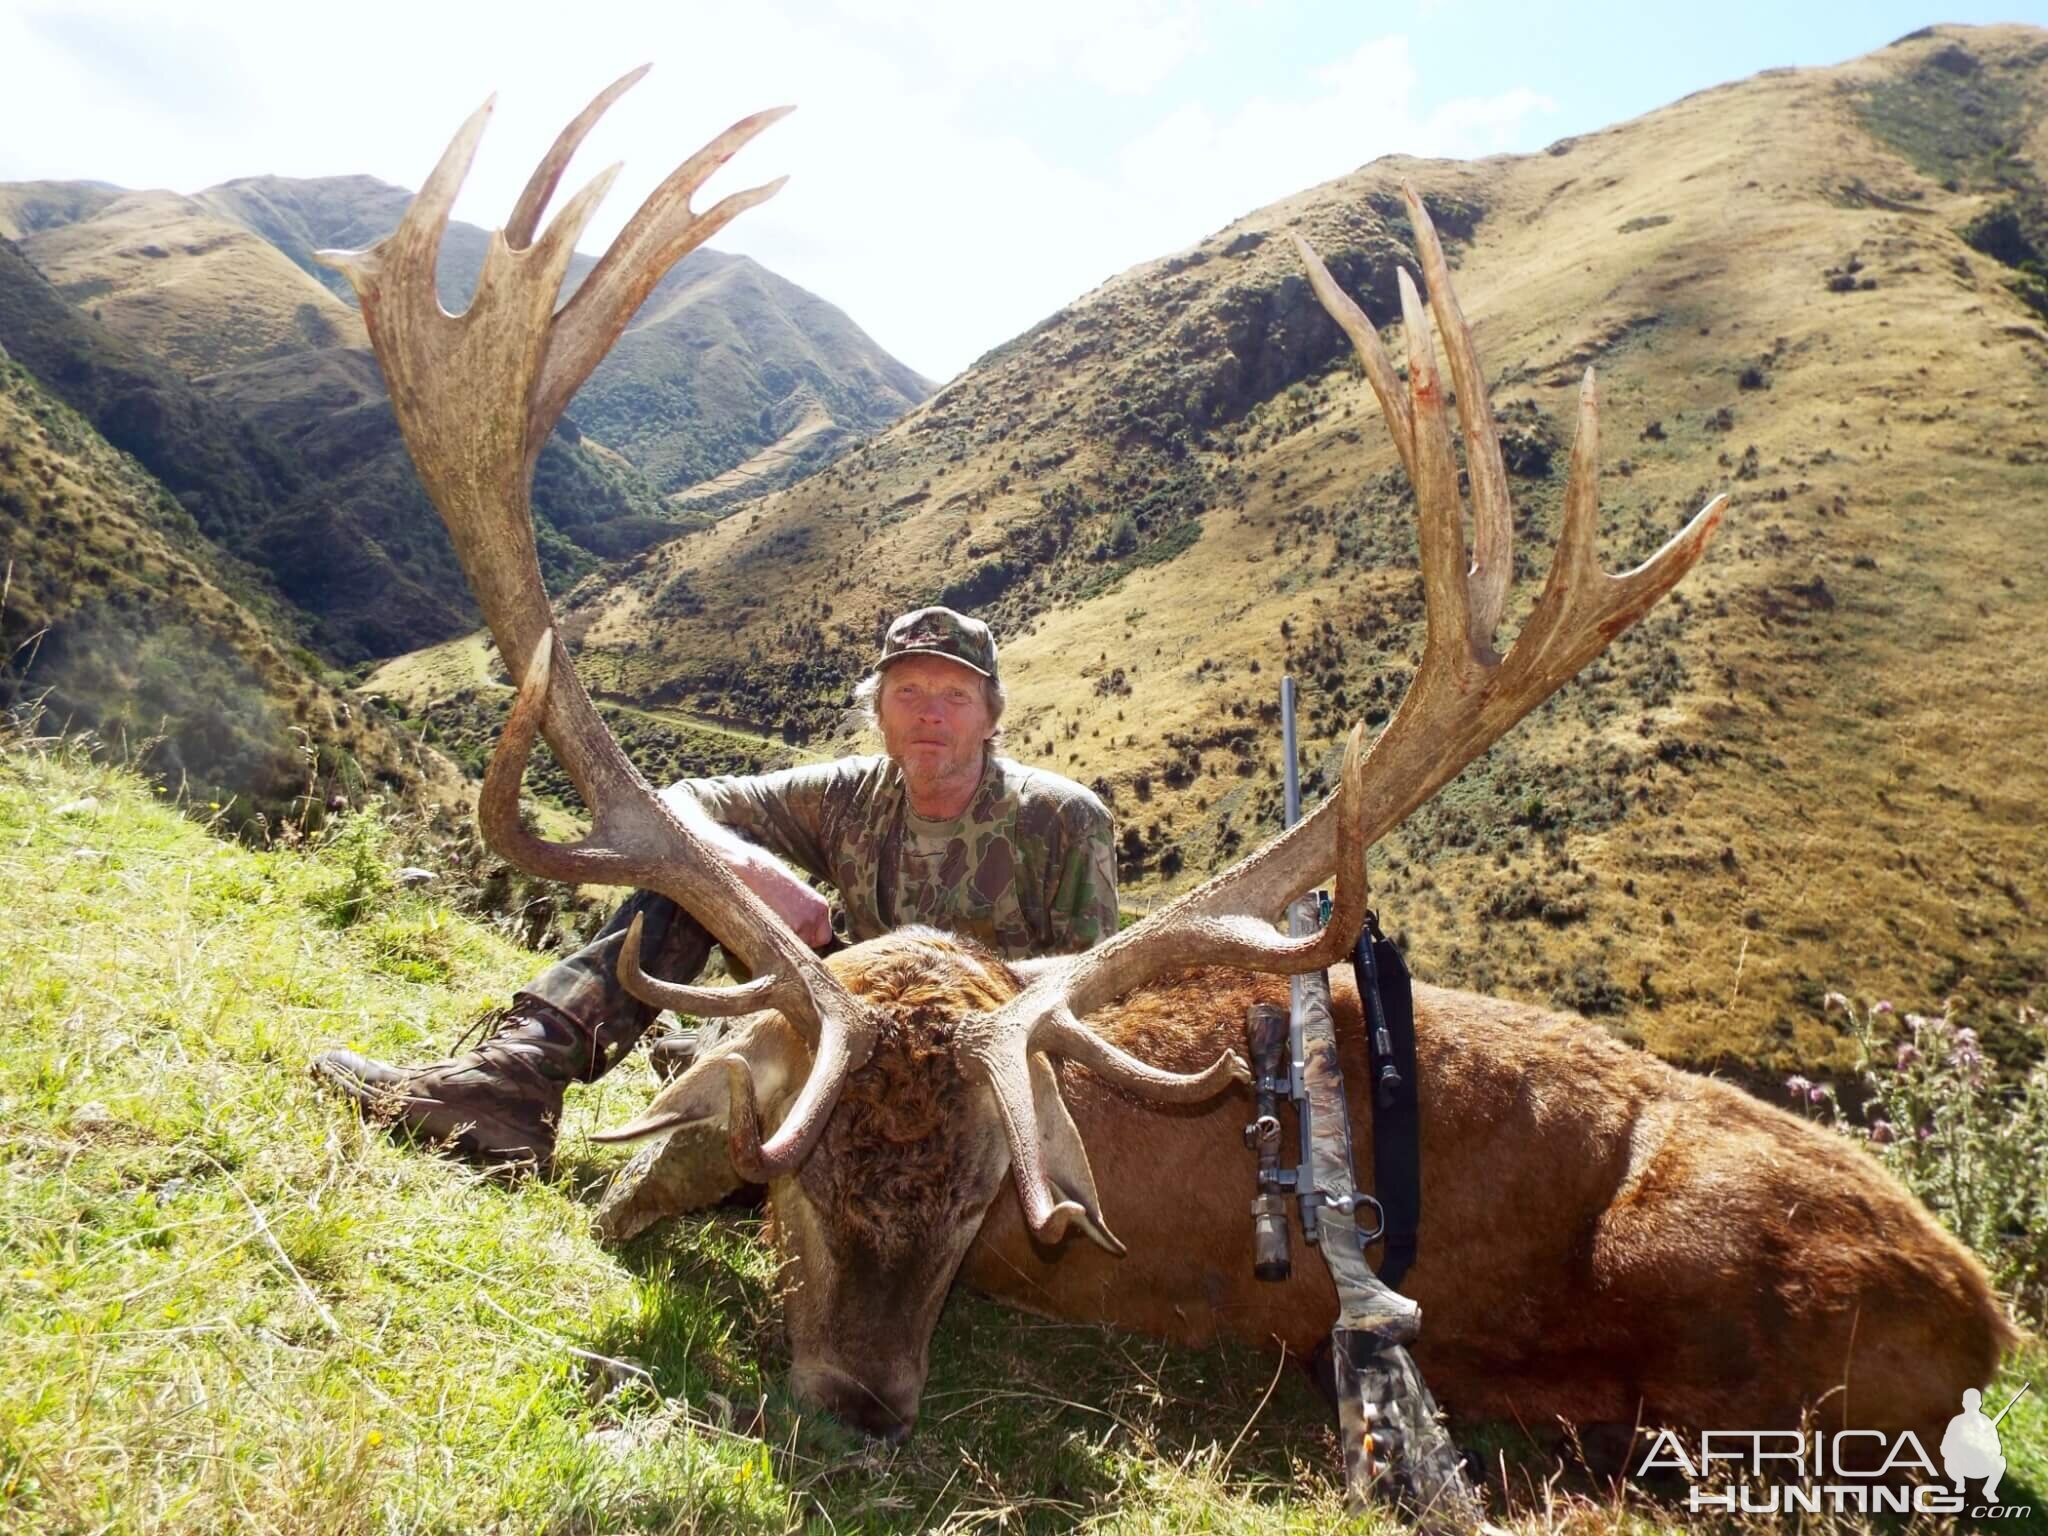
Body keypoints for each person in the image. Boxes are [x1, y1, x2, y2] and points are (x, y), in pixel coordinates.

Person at [312, 606, 1118, 1170]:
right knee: (691, 877)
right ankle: (514, 1082)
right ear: (879, 712)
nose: (929, 714)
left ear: (990, 716)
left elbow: (1096, 1000)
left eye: (953, 696)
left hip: (971, 1069)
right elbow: (681, 802)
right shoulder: (852, 792)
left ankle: (727, 1081)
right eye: (907, 693)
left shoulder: (1063, 822)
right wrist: (761, 875)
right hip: (839, 1018)